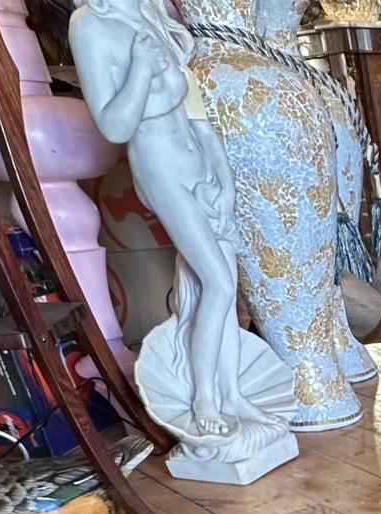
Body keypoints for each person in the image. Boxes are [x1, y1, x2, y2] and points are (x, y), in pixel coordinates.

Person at [71, 0, 270, 437]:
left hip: (197, 165)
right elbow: (114, 127)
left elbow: (199, 121)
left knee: (221, 283)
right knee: (216, 283)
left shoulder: (151, 15)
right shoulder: (90, 24)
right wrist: (140, 68)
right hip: (160, 168)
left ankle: (231, 392)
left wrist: (225, 182)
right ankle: (204, 401)